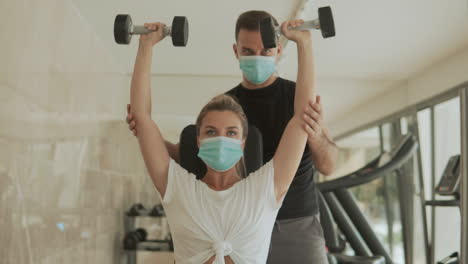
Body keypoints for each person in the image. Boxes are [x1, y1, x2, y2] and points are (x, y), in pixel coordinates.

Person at [127, 11, 338, 263]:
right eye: (211, 132)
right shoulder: (224, 108)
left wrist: (304, 43)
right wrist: (145, 133)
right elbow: (167, 142)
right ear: (236, 51)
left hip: (292, 219)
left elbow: (325, 157)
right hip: (236, 212)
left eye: (231, 133)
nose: (221, 139)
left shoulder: (264, 187)